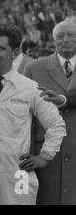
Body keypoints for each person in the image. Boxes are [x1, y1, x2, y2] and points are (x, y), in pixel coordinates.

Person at [0, 24, 66, 205]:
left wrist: (44, 157)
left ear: (15, 51)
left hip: (19, 175)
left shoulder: (30, 87)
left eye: (0, 48)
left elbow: (56, 124)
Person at [23, 20, 76, 204]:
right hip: (46, 161)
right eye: (60, 36)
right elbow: (24, 118)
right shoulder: (34, 69)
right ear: (53, 40)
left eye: (71, 34)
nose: (66, 39)